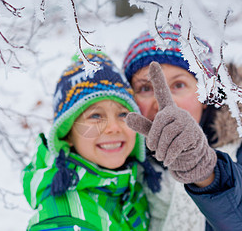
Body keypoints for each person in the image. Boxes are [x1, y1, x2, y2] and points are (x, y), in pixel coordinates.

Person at [122, 25, 242, 231]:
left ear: (205, 95)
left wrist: (207, 173)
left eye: (178, 85)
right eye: (145, 88)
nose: (162, 102)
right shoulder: (124, 158)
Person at [21, 51, 161, 231]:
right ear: (67, 135)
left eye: (123, 114)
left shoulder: (130, 187)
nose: (113, 127)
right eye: (95, 115)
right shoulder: (65, 221)